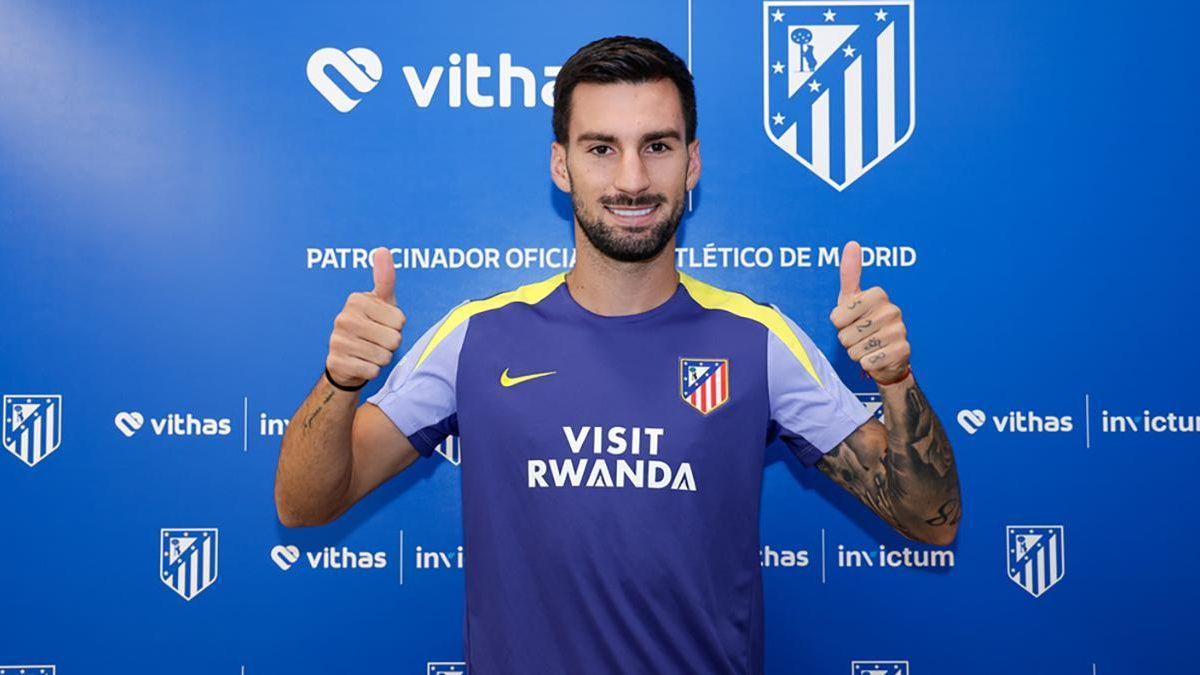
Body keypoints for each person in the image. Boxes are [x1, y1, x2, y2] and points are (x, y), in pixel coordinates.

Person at [275, 35, 961, 674]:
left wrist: (895, 382)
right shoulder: (475, 336)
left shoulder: (757, 340)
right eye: (602, 148)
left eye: (657, 146)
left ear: (692, 163)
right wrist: (340, 382)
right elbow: (304, 504)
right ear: (561, 164)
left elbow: (929, 519)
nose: (632, 180)